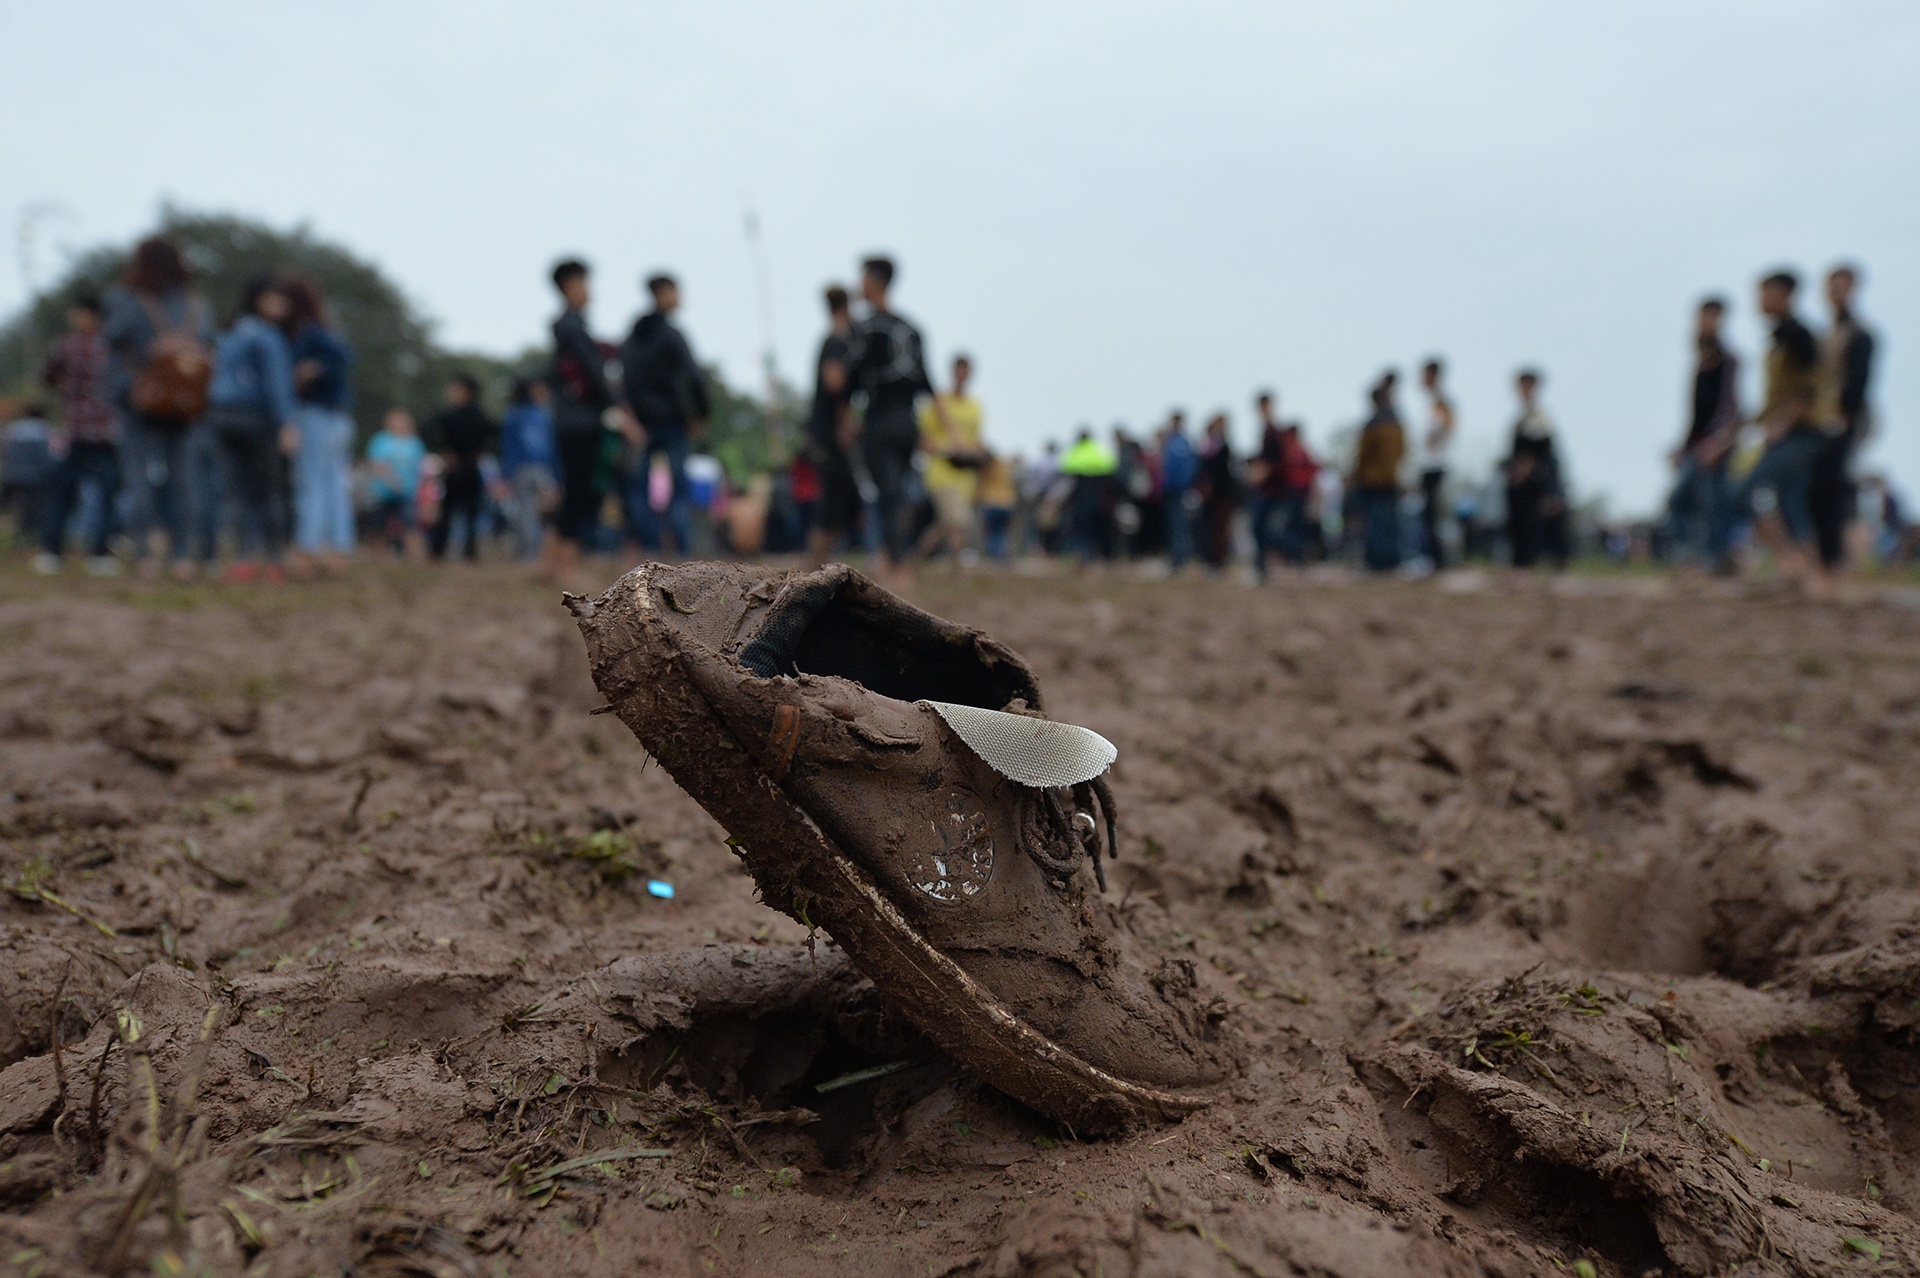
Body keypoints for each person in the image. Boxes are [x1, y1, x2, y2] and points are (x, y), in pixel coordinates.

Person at [102, 235, 215, 578]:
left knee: (137, 476)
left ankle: (144, 554)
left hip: (140, 398)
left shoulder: (125, 298)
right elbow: (209, 345)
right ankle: (182, 557)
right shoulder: (197, 305)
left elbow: (111, 337)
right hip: (185, 402)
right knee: (185, 478)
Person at [846, 255, 950, 586]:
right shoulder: (912, 328)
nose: (858, 285)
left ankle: (898, 565)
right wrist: (950, 432)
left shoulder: (865, 327)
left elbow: (852, 383)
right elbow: (929, 385)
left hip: (880, 421)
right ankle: (894, 559)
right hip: (909, 423)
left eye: (862, 278)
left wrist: (847, 419)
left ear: (875, 281)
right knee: (898, 495)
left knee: (888, 494)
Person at [204, 274, 299, 583]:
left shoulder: (230, 332)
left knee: (234, 492)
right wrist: (287, 423)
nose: (283, 306)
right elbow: (277, 384)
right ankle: (274, 560)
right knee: (267, 491)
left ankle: (242, 559)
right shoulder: (268, 336)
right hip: (256, 419)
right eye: (276, 298)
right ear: (260, 300)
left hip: (221, 417)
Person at [1733, 270, 1824, 586]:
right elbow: (1779, 394)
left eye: (1765, 293)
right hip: (1790, 432)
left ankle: (1793, 564)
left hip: (1800, 434)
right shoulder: (1779, 337)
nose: (1759, 301)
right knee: (1791, 501)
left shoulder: (1798, 335)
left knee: (1747, 491)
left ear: (1784, 295)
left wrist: (1780, 425)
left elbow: (1808, 390)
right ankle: (1803, 571)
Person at [620, 273, 710, 556]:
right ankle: (681, 548)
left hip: (642, 421)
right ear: (663, 293)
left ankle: (647, 544)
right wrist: (700, 412)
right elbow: (693, 376)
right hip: (671, 420)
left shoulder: (635, 334)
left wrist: (631, 414)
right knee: (679, 487)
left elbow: (626, 377)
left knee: (639, 486)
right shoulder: (671, 334)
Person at [34, 295, 121, 576]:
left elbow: (46, 378)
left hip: (96, 431)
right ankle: (59, 552)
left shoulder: (70, 346)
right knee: (67, 493)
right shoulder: (110, 346)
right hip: (86, 431)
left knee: (81, 494)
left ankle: (88, 552)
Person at [547, 259, 622, 582]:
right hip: (580, 422)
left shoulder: (571, 327)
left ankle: (551, 561)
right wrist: (618, 409)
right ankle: (565, 565)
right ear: (568, 287)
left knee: (574, 491)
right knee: (577, 491)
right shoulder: (571, 327)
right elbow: (594, 373)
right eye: (582, 283)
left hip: (573, 420)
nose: (588, 291)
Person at [281, 276, 355, 577]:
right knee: (333, 485)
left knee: (311, 483)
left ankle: (308, 549)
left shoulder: (308, 334)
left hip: (316, 415)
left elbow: (338, 360)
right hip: (338, 417)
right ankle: (338, 551)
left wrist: (304, 373)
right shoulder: (326, 331)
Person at [1809, 264, 1876, 579]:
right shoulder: (1829, 334)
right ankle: (1831, 559)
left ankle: (1840, 560)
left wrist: (1846, 417)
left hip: (1845, 422)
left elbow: (1859, 381)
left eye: (1842, 286)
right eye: (1832, 286)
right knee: (1824, 488)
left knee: (1836, 488)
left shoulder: (1859, 333)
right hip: (1824, 423)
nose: (1836, 292)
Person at [1664, 298, 1740, 571]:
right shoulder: (1700, 364)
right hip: (1696, 445)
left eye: (1711, 317)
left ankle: (1713, 559)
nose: (1705, 323)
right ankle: (1696, 559)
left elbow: (1731, 407)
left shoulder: (1728, 361)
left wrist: (1720, 442)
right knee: (1688, 500)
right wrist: (1682, 447)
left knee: (1710, 503)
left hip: (1714, 445)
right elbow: (1696, 416)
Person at [916, 353, 985, 563]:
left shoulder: (975, 406)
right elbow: (923, 440)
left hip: (965, 475)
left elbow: (976, 442)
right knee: (956, 520)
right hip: (941, 472)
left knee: (948, 524)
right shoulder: (938, 402)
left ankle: (915, 558)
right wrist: (946, 449)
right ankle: (959, 565)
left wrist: (974, 453)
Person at [425, 374, 495, 561]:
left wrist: (481, 453)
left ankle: (468, 552)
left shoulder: (479, 417)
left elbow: (495, 437)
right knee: (448, 511)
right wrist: (444, 452)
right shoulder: (448, 415)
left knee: (470, 513)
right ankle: (438, 550)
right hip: (454, 470)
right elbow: (427, 431)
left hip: (470, 469)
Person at [1504, 368, 1567, 570]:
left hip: (1534, 480)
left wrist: (1523, 471)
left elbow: (1538, 450)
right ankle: (1523, 562)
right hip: (1522, 478)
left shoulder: (1539, 416)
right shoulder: (1523, 414)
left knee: (1534, 523)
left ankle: (1533, 562)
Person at [1351, 373, 1406, 572]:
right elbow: (1402, 452)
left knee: (1377, 523)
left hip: (1373, 482)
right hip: (1390, 479)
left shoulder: (1374, 424)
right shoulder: (1396, 423)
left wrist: (1356, 476)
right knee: (1389, 522)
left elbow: (1363, 456)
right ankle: (1391, 561)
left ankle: (1378, 562)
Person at [499, 376, 557, 562]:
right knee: (541, 513)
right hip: (544, 469)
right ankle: (538, 552)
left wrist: (506, 474)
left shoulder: (513, 414)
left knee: (526, 512)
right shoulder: (545, 414)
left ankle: (528, 553)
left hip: (522, 469)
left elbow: (509, 447)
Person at [365, 407, 426, 559]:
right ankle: (377, 553)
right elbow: (375, 463)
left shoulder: (415, 443)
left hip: (407, 493)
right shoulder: (380, 440)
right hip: (383, 492)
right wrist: (392, 480)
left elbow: (421, 468)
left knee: (408, 524)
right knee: (379, 523)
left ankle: (407, 554)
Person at [1417, 360, 1456, 570]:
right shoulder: (1432, 403)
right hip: (1429, 465)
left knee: (1433, 514)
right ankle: (1432, 558)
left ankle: (1437, 560)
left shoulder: (1441, 403)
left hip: (1437, 465)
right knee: (1428, 515)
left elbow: (1448, 430)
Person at [1248, 392, 1291, 580]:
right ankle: (1262, 567)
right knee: (1261, 527)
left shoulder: (1274, 432)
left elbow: (1278, 461)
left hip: (1273, 488)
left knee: (1262, 527)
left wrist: (1263, 472)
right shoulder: (1268, 431)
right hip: (1267, 488)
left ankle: (1293, 552)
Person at [1059, 427, 1118, 565]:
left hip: (1081, 500)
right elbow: (1112, 475)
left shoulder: (1074, 452)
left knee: (1083, 531)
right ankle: (1104, 558)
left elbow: (1066, 475)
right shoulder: (1101, 451)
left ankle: (1085, 556)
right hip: (1101, 500)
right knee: (1102, 531)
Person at [3, 403, 55, 546]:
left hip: (14, 475)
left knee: (17, 507)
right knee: (36, 508)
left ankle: (19, 534)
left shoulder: (15, 429)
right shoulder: (43, 430)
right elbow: (47, 457)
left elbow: (7, 452)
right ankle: (31, 535)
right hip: (35, 478)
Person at [1196, 413, 1240, 571]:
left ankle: (1218, 561)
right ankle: (1212, 560)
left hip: (1222, 494)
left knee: (1220, 530)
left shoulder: (1223, 446)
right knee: (1212, 529)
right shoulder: (1210, 445)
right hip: (1213, 494)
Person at [1159, 412, 1199, 571]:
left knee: (1179, 525)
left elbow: (1181, 470)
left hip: (1177, 491)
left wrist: (1177, 486)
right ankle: (1179, 558)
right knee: (1178, 525)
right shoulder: (1178, 442)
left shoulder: (1179, 444)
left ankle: (1180, 560)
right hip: (1175, 490)